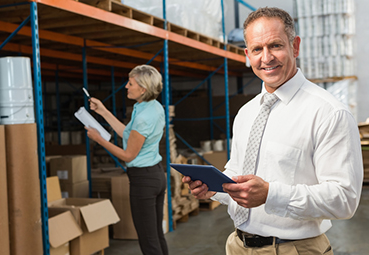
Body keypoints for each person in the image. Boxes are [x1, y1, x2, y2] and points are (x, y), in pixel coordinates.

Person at [183, 7, 363, 255]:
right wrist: (215, 188)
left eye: (275, 46)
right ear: (247, 54)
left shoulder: (329, 113)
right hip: (238, 246)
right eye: (257, 49)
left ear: (295, 46)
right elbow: (238, 173)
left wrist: (271, 194)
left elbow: (345, 199)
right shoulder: (246, 113)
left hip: (294, 249)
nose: (266, 58)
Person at [85, 64, 168, 255]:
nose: (126, 87)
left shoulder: (144, 117)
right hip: (155, 174)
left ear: (143, 89)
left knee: (148, 241)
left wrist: (98, 138)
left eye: (130, 83)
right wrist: (103, 111)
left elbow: (128, 155)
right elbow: (128, 134)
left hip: (143, 180)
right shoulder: (151, 107)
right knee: (155, 235)